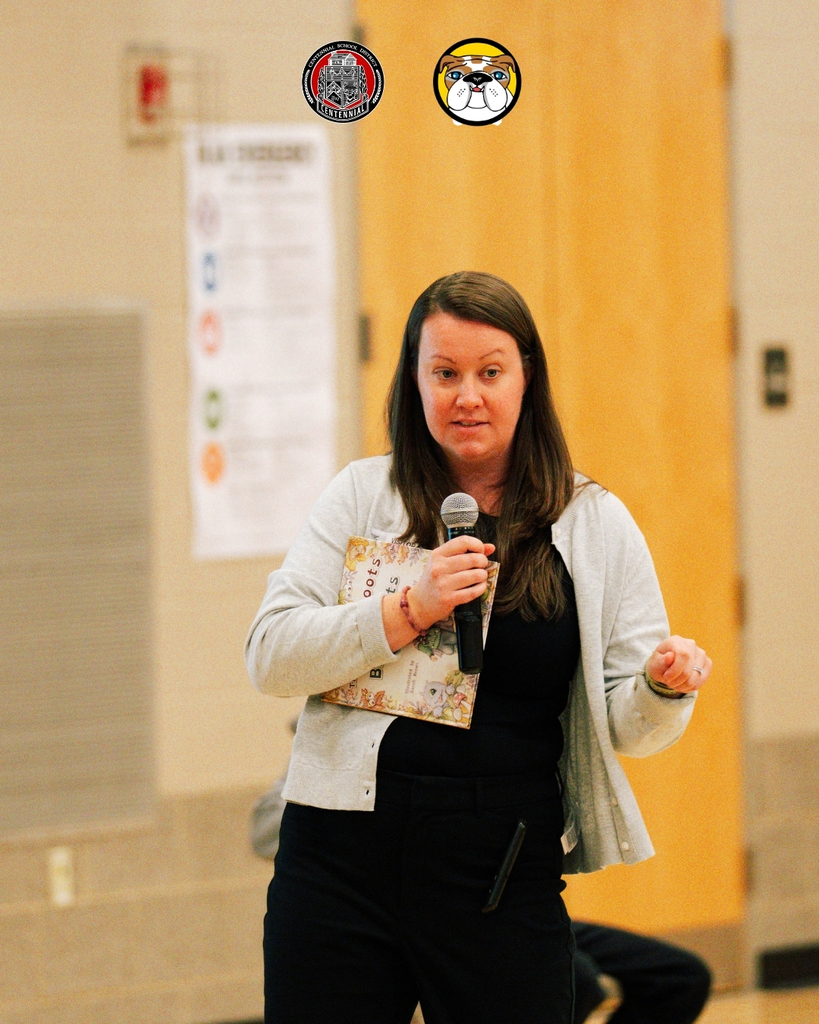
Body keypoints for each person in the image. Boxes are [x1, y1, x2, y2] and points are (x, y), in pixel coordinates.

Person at [245, 271, 712, 1024]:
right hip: (340, 862)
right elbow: (270, 655)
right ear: (414, 382)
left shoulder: (593, 521)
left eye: (490, 373)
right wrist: (406, 609)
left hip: (500, 864)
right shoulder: (361, 495)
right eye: (444, 374)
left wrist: (661, 689)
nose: (467, 397)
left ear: (527, 380)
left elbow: (630, 727)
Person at [250, 775, 713, 1024]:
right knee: (583, 980)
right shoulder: (324, 752)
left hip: (496, 904)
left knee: (679, 976)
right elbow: (263, 832)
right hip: (390, 910)